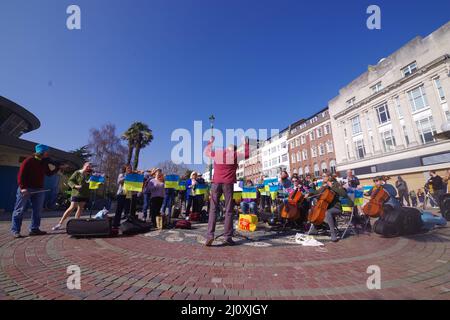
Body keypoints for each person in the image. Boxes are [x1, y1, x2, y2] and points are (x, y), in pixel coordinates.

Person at [204, 136, 250, 247]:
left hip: (216, 183)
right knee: (228, 210)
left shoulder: (219, 153)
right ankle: (227, 237)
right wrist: (245, 143)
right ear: (234, 150)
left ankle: (210, 236)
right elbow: (247, 154)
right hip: (228, 184)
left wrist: (210, 142)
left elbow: (207, 152)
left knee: (213, 209)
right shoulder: (234, 155)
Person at [11, 144, 62, 238]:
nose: (49, 154)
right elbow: (21, 175)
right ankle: (15, 231)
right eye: (47, 152)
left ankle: (34, 229)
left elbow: (49, 174)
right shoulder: (29, 160)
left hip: (39, 189)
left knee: (37, 210)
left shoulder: (43, 162)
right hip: (26, 188)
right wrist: (22, 188)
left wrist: (57, 168)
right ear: (41, 152)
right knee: (19, 210)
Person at [307, 173, 354, 242]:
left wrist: (332, 186)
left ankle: (333, 233)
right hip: (326, 207)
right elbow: (317, 192)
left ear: (329, 177)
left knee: (327, 212)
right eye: (322, 176)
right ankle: (315, 228)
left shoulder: (336, 184)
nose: (322, 178)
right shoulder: (324, 186)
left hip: (336, 208)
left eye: (324, 176)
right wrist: (309, 193)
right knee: (315, 211)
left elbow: (343, 193)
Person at [52, 162, 92, 231]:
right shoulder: (77, 173)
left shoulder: (89, 174)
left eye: (90, 167)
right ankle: (60, 223)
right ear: (84, 166)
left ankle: (76, 223)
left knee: (80, 208)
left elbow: (91, 183)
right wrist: (75, 186)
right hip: (76, 193)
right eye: (87, 166)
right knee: (72, 207)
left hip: (85, 194)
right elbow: (70, 181)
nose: (88, 168)